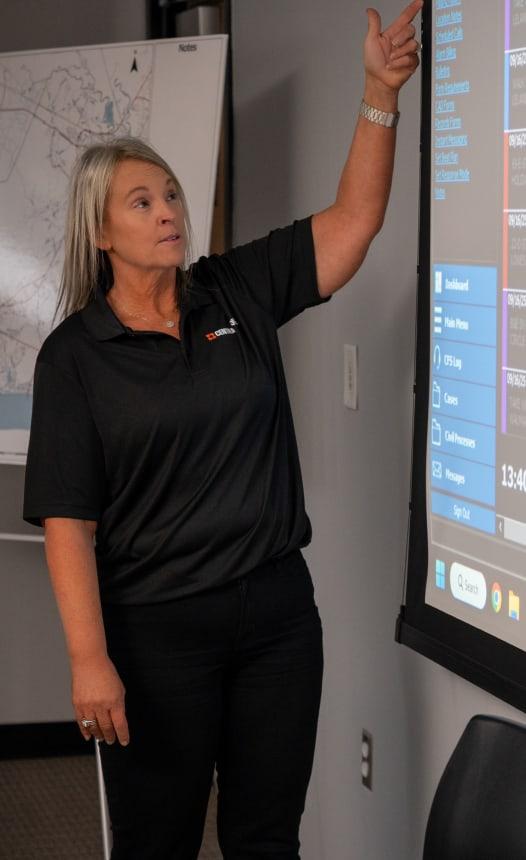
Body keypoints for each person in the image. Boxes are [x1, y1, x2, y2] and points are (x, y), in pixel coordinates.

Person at [22, 3, 422, 858]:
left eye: (170, 193)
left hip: (278, 618)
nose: (168, 209)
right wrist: (90, 661)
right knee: (158, 842)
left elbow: (353, 225)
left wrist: (379, 93)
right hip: (157, 633)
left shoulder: (232, 288)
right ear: (102, 232)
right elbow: (69, 523)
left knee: (267, 839)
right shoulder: (75, 358)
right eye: (141, 200)